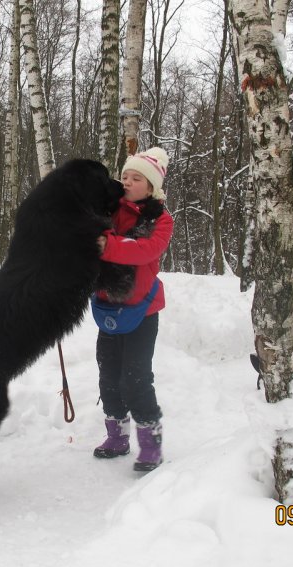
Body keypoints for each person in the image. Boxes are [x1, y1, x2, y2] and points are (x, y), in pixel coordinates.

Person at [93, 147, 174, 471]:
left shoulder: (161, 219)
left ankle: (150, 442)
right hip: (108, 306)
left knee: (135, 378)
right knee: (108, 375)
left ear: (151, 186)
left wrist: (107, 245)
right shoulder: (108, 209)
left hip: (142, 310)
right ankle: (117, 436)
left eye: (136, 177)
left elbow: (145, 250)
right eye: (125, 175)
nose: (127, 181)